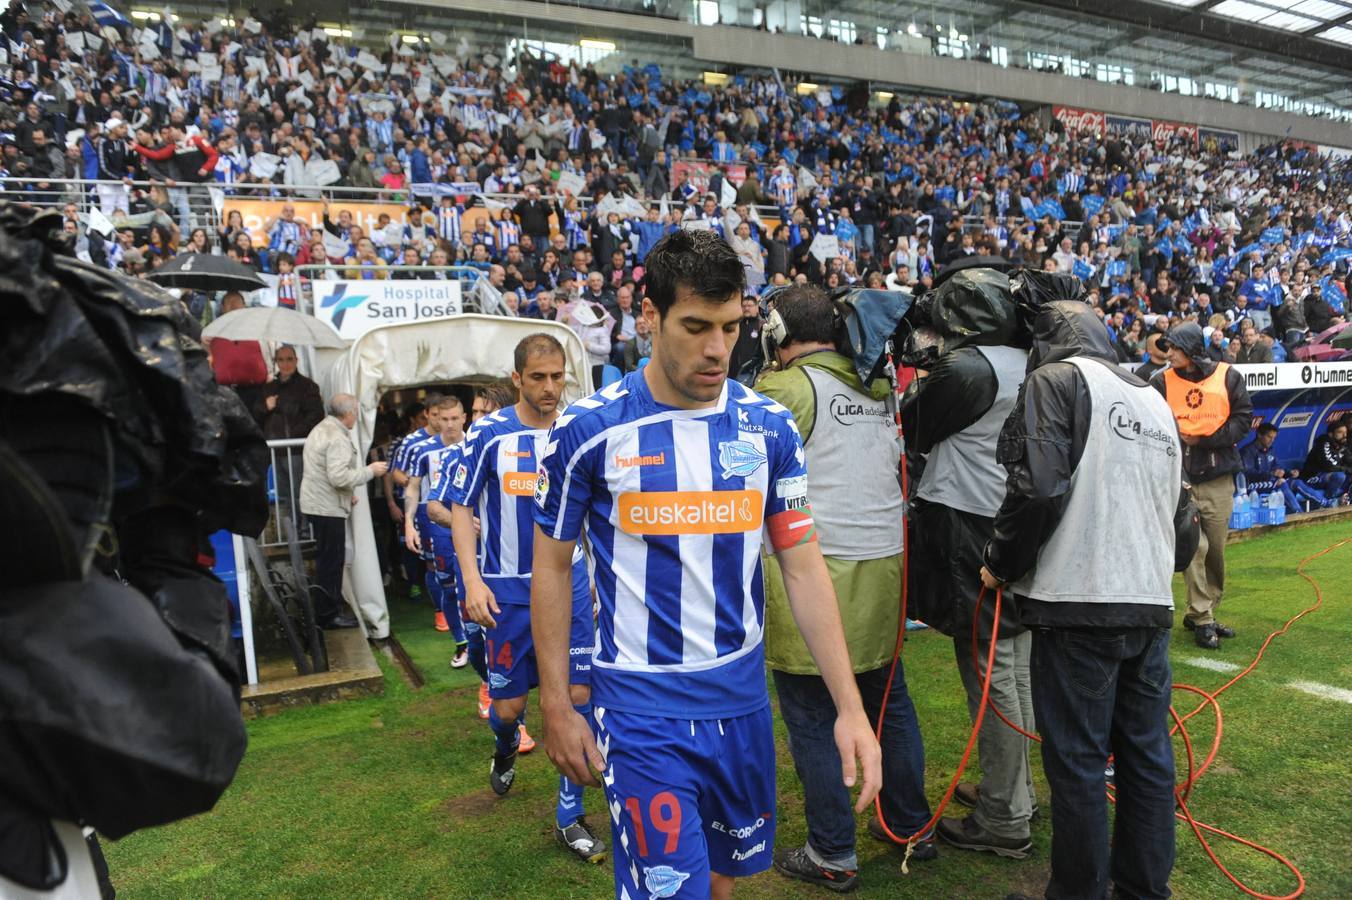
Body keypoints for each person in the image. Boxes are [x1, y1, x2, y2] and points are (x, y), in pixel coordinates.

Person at [531, 230, 881, 900]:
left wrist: (849, 707)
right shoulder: (589, 430)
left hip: (741, 702)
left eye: (730, 326)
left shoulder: (769, 428)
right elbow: (550, 567)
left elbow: (803, 566)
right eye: (695, 327)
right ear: (651, 318)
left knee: (721, 881)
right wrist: (554, 700)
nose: (718, 348)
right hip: (641, 708)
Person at [981, 300, 1183, 900]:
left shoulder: (1056, 379)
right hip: (1148, 603)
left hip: (1079, 603)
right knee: (1146, 762)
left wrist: (999, 561)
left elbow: (1038, 487)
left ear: (1046, 344)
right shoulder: (1153, 395)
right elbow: (1185, 520)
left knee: (1078, 767)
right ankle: (1144, 890)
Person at [755, 284, 932, 890]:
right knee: (889, 701)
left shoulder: (784, 388)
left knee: (811, 712)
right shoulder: (878, 386)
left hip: (816, 569)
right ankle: (910, 825)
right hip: (883, 565)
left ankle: (832, 850)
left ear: (778, 333)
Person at [447, 334, 605, 863]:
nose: (550, 388)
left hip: (571, 585)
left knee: (578, 697)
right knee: (509, 707)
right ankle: (505, 743)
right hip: (507, 591)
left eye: (557, 376)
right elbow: (461, 510)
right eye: (538, 378)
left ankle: (569, 815)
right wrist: (471, 580)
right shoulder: (489, 433)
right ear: (517, 379)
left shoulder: (579, 427)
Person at [902, 273, 1038, 861]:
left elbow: (911, 425)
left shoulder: (969, 369)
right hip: (1011, 520)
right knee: (1015, 665)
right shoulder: (1031, 358)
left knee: (991, 673)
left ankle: (1007, 814)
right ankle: (1018, 792)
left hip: (971, 523)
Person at [1152, 322, 1253, 650]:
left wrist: (1206, 439)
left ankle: (1202, 609)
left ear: (1192, 350)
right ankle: (1203, 616)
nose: (1169, 354)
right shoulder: (1159, 382)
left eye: (1174, 348)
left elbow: (1243, 420)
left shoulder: (1228, 376)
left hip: (1218, 476)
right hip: (1179, 478)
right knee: (1195, 547)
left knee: (1217, 550)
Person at [429, 383, 517, 719]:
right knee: (477, 642)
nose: (476, 420)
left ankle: (515, 718)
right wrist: (460, 521)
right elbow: (434, 506)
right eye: (475, 412)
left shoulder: (530, 449)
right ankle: (487, 682)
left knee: (510, 640)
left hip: (513, 567)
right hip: (472, 566)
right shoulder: (458, 455)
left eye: (485, 412)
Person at [300, 394, 389, 629]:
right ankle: (328, 615)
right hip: (326, 508)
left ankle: (328, 611)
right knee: (331, 561)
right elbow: (338, 476)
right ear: (349, 413)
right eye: (357, 411)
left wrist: (347, 495)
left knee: (328, 560)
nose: (357, 415)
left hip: (318, 503)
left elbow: (324, 472)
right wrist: (370, 471)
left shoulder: (323, 428)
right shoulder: (337, 436)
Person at [402, 395, 469, 654]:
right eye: (445, 419)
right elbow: (413, 486)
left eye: (455, 418)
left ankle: (480, 638)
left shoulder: (475, 443)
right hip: (436, 522)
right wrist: (409, 523)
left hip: (469, 517)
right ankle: (460, 641)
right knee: (446, 581)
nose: (450, 424)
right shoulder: (424, 449)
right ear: (435, 419)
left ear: (464, 418)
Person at [253, 345, 325, 537]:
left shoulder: (307, 386)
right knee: (285, 494)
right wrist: (266, 407)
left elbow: (316, 416)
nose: (285, 364)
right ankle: (293, 530)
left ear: (296, 360)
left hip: (296, 449)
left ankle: (305, 530)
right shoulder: (268, 387)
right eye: (281, 360)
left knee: (300, 491)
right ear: (276, 362)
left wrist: (294, 434)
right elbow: (255, 415)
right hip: (276, 449)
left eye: (289, 359)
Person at [390, 400, 436, 601]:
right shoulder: (409, 442)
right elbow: (394, 473)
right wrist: (414, 482)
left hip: (445, 505)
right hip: (414, 502)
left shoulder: (458, 440)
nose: (444, 422)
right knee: (413, 546)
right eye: (435, 415)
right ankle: (415, 585)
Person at [1239, 423, 1322, 513]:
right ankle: (1298, 512)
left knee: (1295, 482)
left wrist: (1289, 472)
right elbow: (1248, 473)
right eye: (1269, 437)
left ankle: (1324, 503)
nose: (1272, 440)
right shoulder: (1247, 451)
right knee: (1280, 483)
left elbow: (1276, 467)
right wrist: (1271, 474)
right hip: (1252, 486)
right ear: (1259, 435)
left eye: (1274, 438)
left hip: (1270, 481)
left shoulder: (1270, 450)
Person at [1301, 419, 1350, 505]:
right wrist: (1347, 469)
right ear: (1331, 434)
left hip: (1328, 480)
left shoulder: (1341, 446)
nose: (1344, 435)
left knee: (1344, 476)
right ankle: (1330, 502)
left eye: (1345, 432)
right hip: (1312, 477)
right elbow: (1330, 467)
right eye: (1340, 432)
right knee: (1339, 476)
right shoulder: (1324, 444)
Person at [727, 295, 763, 383]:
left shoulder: (762, 325)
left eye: (750, 306)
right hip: (733, 372)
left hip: (752, 373)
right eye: (744, 306)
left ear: (756, 307)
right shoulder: (735, 325)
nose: (746, 308)